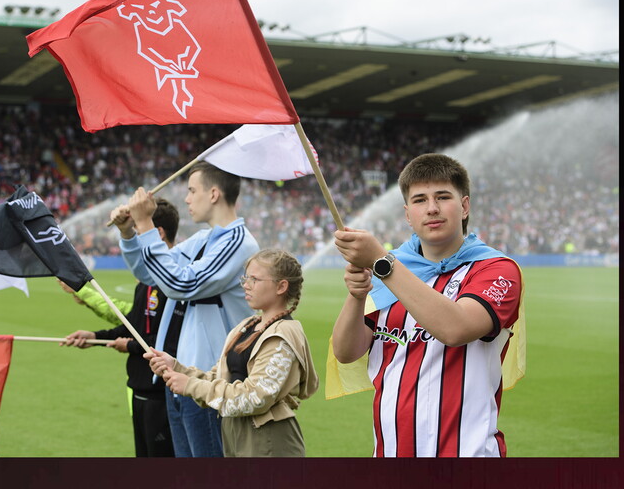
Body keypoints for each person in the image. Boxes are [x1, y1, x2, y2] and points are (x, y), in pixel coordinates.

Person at [331, 153, 523, 457]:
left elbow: (456, 328)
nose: (431, 208)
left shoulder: (496, 269)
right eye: (419, 200)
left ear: (464, 206)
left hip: (467, 453)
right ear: (408, 215)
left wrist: (383, 263)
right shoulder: (391, 270)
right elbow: (346, 351)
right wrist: (356, 297)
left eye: (443, 197)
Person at [112, 161, 259, 457]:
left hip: (211, 381)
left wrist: (146, 225)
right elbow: (149, 273)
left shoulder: (238, 242)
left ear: (214, 194)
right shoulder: (203, 239)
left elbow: (183, 284)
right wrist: (129, 233)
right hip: (180, 375)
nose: (188, 199)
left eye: (192, 191)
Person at [145, 248, 319, 457]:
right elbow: (218, 378)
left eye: (254, 279)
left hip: (270, 443)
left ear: (281, 286)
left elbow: (255, 397)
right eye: (245, 278)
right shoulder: (247, 325)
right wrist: (177, 368)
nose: (246, 285)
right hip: (236, 435)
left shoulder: (283, 335)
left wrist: (190, 385)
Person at [60, 197, 180, 457]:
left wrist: (131, 346)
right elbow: (133, 324)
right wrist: (94, 337)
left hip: (161, 393)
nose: (133, 241)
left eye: (136, 232)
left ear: (156, 233)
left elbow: (169, 341)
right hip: (140, 389)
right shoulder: (146, 281)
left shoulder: (175, 282)